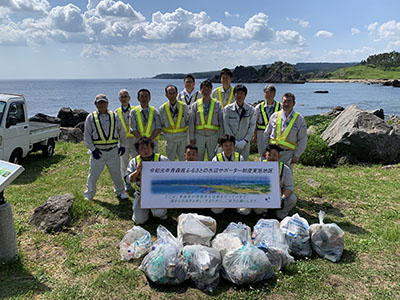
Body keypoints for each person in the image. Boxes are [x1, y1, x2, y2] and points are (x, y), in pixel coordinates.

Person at [83, 94, 128, 200]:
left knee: (116, 173)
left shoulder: (114, 115)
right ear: (95, 104)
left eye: (104, 102)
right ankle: (89, 194)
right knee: (93, 175)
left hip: (113, 151)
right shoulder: (91, 117)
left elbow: (121, 131)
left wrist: (122, 145)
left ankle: (120, 191)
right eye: (99, 103)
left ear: (107, 103)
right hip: (98, 152)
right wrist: (93, 150)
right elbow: (87, 136)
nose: (102, 105)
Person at [125, 137, 169, 224]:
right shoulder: (134, 162)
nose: (146, 150)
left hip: (157, 193)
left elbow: (172, 174)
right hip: (141, 194)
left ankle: (158, 209)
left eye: (148, 147)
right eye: (142, 148)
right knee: (139, 220)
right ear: (138, 150)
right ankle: (146, 210)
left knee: (159, 214)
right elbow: (128, 179)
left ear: (152, 148)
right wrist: (137, 171)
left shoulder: (161, 159)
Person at [263, 92, 307, 170]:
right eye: (284, 102)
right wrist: (265, 149)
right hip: (272, 153)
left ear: (294, 103)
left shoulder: (299, 119)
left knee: (285, 178)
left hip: (287, 154)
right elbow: (266, 134)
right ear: (281, 103)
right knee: (271, 177)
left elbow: (302, 139)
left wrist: (296, 155)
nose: (286, 104)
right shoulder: (274, 116)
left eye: (289, 101)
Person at [189, 79, 224, 161]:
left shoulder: (217, 104)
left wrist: (221, 136)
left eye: (207, 89)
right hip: (199, 135)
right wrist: (191, 138)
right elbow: (191, 123)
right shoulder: (195, 105)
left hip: (213, 135)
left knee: (213, 158)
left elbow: (221, 122)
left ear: (211, 90)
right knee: (198, 157)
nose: (205, 91)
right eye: (203, 89)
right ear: (200, 90)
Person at [211, 135, 246, 215]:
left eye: (230, 145)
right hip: (221, 190)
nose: (228, 148)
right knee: (216, 210)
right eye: (226, 146)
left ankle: (235, 206)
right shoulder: (216, 159)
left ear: (234, 146)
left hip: (236, 189)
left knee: (244, 211)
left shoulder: (240, 158)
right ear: (221, 146)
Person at [261, 144, 297, 219]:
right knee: (257, 210)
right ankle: (262, 213)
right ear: (265, 155)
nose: (271, 158)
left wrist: (283, 197)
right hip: (263, 194)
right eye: (269, 155)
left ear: (279, 156)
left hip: (279, 195)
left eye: (274, 155)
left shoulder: (285, 169)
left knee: (292, 198)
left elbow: (289, 187)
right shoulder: (258, 167)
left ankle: (279, 214)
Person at [223, 85, 256, 161]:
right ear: (234, 95)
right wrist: (234, 141)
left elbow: (252, 126)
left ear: (245, 95)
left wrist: (245, 141)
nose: (239, 95)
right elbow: (226, 125)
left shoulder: (250, 109)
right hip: (230, 144)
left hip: (245, 144)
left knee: (243, 164)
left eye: (242, 93)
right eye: (237, 93)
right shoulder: (227, 109)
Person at [159, 85, 189, 161]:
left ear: (177, 94)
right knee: (169, 161)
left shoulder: (184, 106)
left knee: (183, 160)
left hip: (182, 138)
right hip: (170, 139)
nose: (172, 95)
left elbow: (187, 121)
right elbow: (161, 124)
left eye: (173, 93)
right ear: (166, 95)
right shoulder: (162, 108)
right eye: (170, 93)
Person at [115, 89, 136, 191]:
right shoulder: (116, 112)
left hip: (134, 140)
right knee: (123, 163)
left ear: (129, 98)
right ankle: (126, 182)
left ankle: (138, 181)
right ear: (119, 99)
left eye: (125, 96)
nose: (124, 98)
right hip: (122, 140)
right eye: (122, 97)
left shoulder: (135, 110)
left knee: (136, 160)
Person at [129, 89, 162, 153]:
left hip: (153, 142)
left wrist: (149, 140)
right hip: (138, 142)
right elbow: (132, 129)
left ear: (149, 98)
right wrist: (142, 141)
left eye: (146, 96)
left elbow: (158, 128)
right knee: (139, 161)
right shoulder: (133, 112)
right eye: (142, 96)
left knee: (154, 161)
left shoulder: (155, 111)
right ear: (138, 98)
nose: (144, 98)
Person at [254, 84, 281, 159]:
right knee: (263, 153)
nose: (268, 94)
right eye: (266, 92)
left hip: (275, 133)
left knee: (274, 154)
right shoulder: (258, 107)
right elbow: (254, 122)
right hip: (261, 133)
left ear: (274, 94)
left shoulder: (280, 106)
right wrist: (254, 135)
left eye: (271, 92)